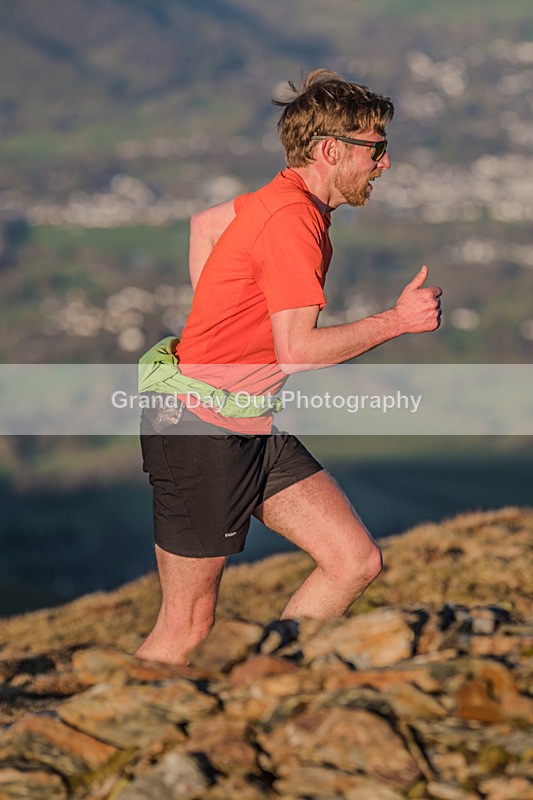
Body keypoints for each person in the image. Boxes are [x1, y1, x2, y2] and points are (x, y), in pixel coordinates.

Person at [135, 69, 442, 664]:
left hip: (244, 423)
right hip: (198, 431)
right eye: (376, 149)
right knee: (188, 626)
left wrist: (223, 322)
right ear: (333, 149)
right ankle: (109, 734)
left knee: (355, 560)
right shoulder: (293, 220)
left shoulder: (281, 198)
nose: (384, 164)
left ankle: (266, 676)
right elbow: (298, 353)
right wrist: (398, 320)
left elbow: (205, 224)